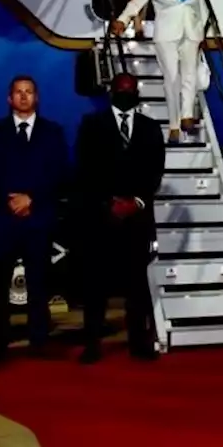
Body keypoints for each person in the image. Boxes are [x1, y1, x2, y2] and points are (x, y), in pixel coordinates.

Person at [0, 75, 71, 362]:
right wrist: (11, 200)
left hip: (38, 218)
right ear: (9, 98)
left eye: (29, 92)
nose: (24, 96)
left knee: (39, 282)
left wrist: (32, 199)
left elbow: (60, 173)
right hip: (2, 219)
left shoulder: (53, 132)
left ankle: (39, 339)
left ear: (36, 98)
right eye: (18, 92)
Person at [75, 73, 165, 363]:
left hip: (136, 218)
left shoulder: (151, 128)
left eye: (131, 89)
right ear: (112, 92)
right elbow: (85, 168)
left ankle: (139, 342)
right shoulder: (91, 125)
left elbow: (155, 170)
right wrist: (108, 203)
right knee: (95, 284)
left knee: (136, 284)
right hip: (101, 216)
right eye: (121, 89)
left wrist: (136, 202)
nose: (126, 93)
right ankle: (92, 344)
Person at [111, 0, 209, 144]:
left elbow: (201, 10)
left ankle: (186, 115)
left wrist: (201, 33)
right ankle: (174, 124)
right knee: (172, 78)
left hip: (190, 33)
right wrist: (123, 19)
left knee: (189, 75)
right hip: (166, 34)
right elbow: (138, 2)